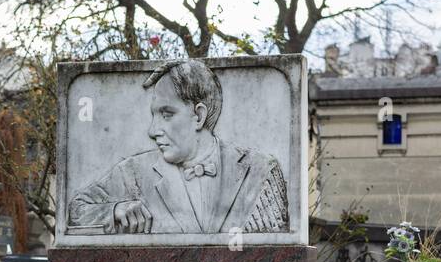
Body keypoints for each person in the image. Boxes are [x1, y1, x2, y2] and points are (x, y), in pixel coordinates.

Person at [68, 59, 289, 235]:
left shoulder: (260, 172)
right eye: (154, 115)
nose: (152, 131)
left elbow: (278, 256)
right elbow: (75, 210)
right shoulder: (134, 172)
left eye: (167, 114)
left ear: (198, 116)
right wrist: (115, 210)